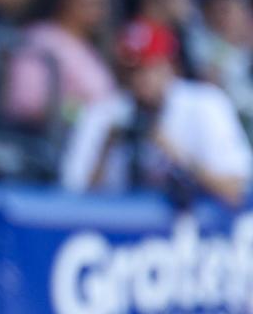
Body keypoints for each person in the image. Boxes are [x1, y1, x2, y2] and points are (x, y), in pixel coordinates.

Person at [61, 19, 252, 204]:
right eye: (132, 69)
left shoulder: (205, 104)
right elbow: (72, 198)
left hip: (196, 233)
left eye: (149, 67)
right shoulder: (107, 113)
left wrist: (176, 155)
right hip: (122, 231)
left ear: (170, 66)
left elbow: (235, 191)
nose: (140, 79)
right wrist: (106, 148)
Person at [0, 0, 117, 130]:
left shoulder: (90, 47)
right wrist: (80, 112)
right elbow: (25, 100)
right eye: (88, 2)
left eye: (100, 2)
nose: (97, 10)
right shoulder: (41, 39)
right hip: (48, 144)